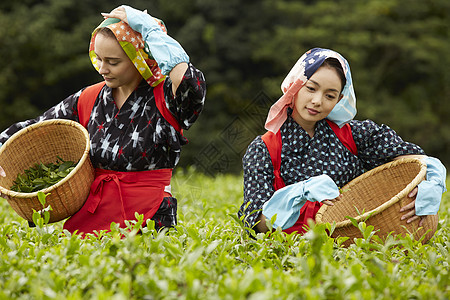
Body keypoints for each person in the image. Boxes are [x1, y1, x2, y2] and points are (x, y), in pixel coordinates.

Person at [0, 5, 206, 235]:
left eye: (113, 62)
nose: (102, 69)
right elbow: (38, 129)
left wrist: (150, 31)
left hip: (149, 219)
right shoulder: (89, 98)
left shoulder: (165, 98)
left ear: (139, 58)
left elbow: (190, 82)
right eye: (98, 59)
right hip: (93, 217)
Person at [238, 48, 446, 235]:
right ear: (296, 85)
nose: (317, 101)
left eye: (330, 95)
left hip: (355, 244)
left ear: (339, 100)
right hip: (298, 252)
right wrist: (299, 192)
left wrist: (433, 179)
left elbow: (416, 161)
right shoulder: (263, 149)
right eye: (311, 88)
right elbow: (257, 223)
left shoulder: (355, 134)